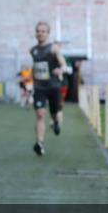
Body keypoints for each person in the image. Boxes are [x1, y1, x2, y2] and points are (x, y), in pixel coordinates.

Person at [29, 21, 67, 156]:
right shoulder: (33, 50)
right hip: (39, 87)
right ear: (35, 33)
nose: (40, 33)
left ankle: (56, 121)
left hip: (53, 86)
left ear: (48, 33)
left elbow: (63, 64)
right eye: (38, 31)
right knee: (40, 114)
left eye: (43, 31)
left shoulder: (53, 48)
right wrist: (31, 79)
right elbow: (35, 66)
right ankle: (40, 143)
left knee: (54, 113)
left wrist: (61, 69)